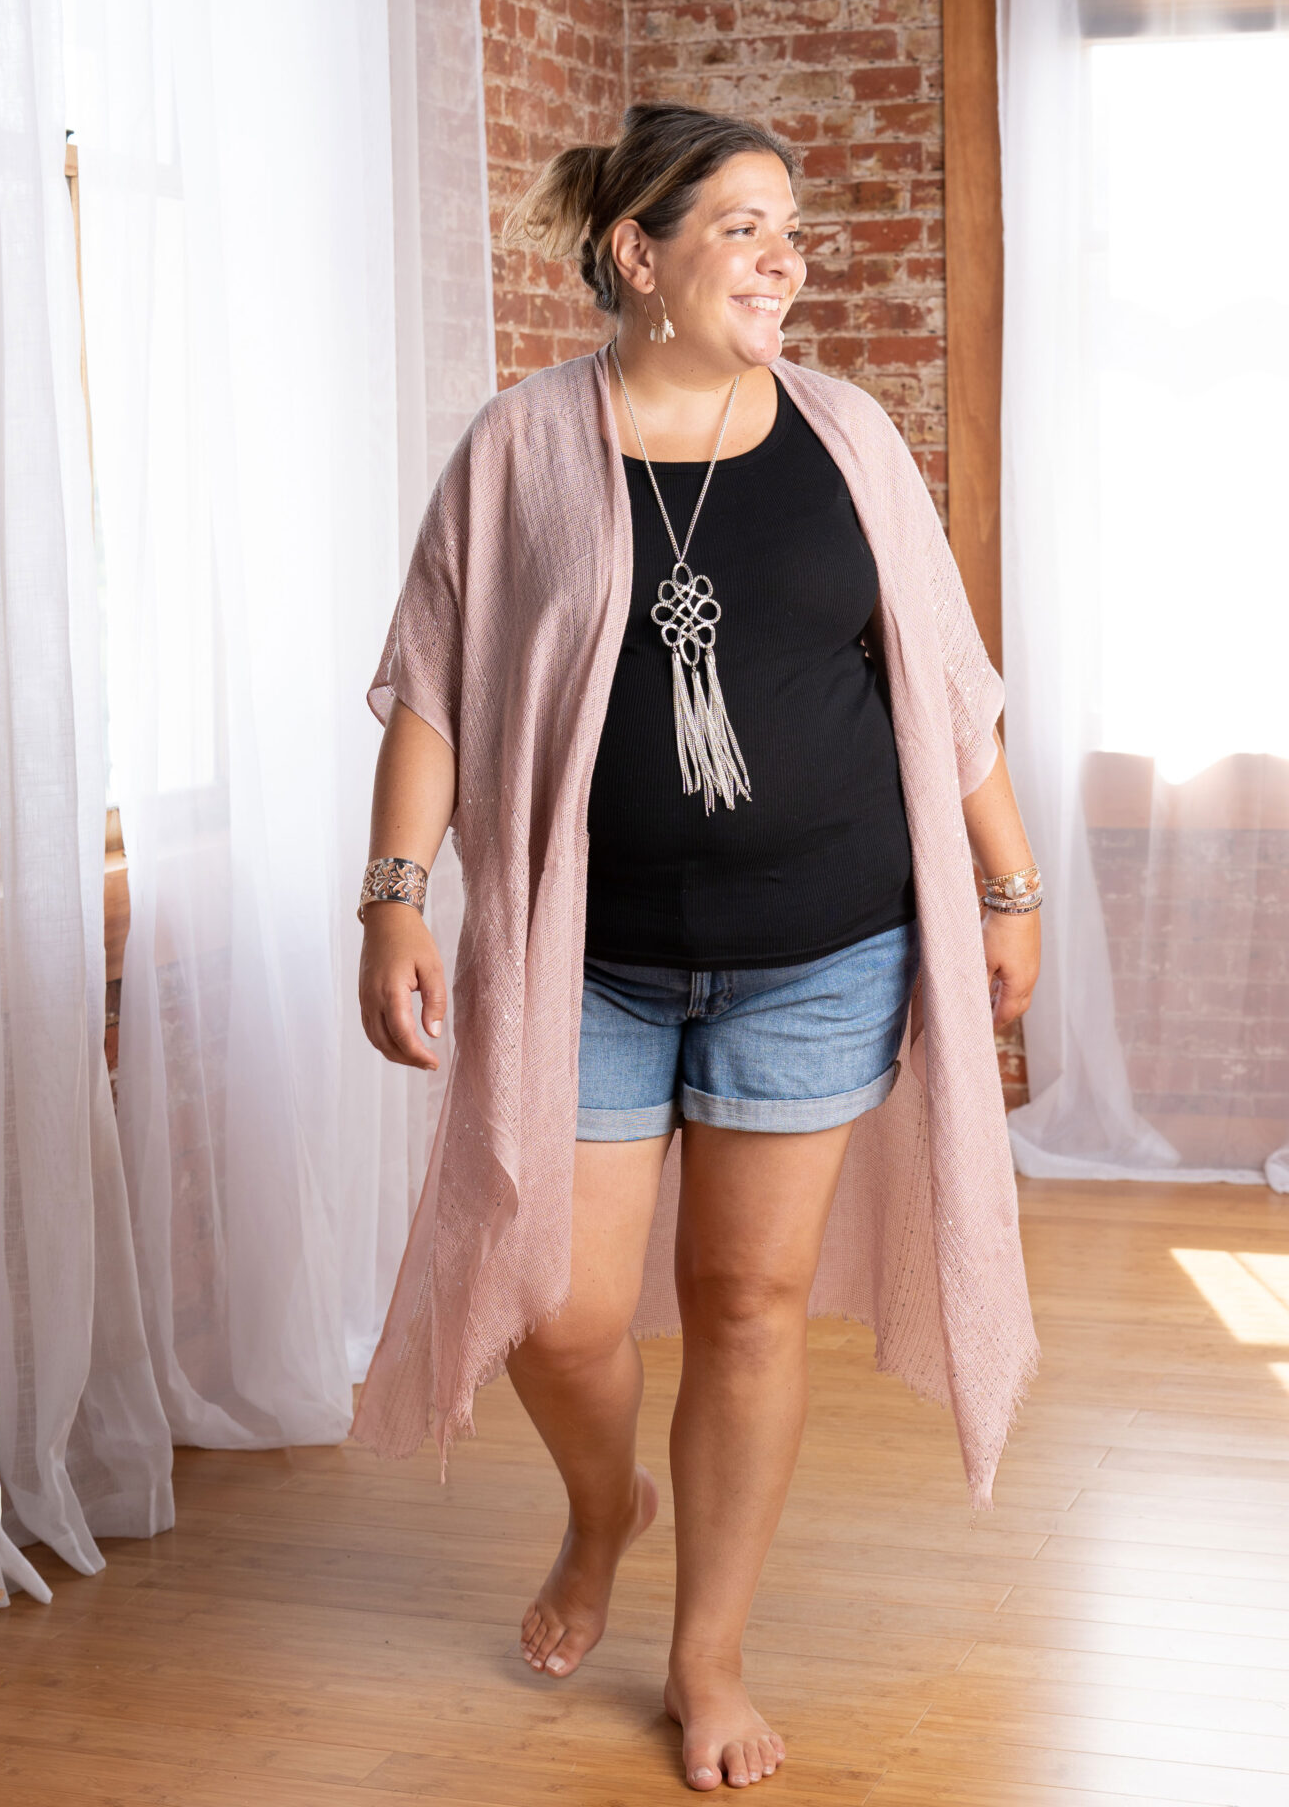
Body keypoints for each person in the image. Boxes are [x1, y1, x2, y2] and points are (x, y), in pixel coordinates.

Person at [354, 101, 1042, 1793]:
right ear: (636, 257)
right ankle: (607, 1511)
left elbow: (943, 684)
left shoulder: (849, 436)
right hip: (585, 959)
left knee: (749, 1306)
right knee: (556, 1311)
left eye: (788, 224)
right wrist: (391, 892)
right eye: (741, 225)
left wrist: (1009, 889)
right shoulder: (519, 449)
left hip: (821, 951)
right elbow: (436, 685)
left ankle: (708, 1656)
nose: (785, 254)